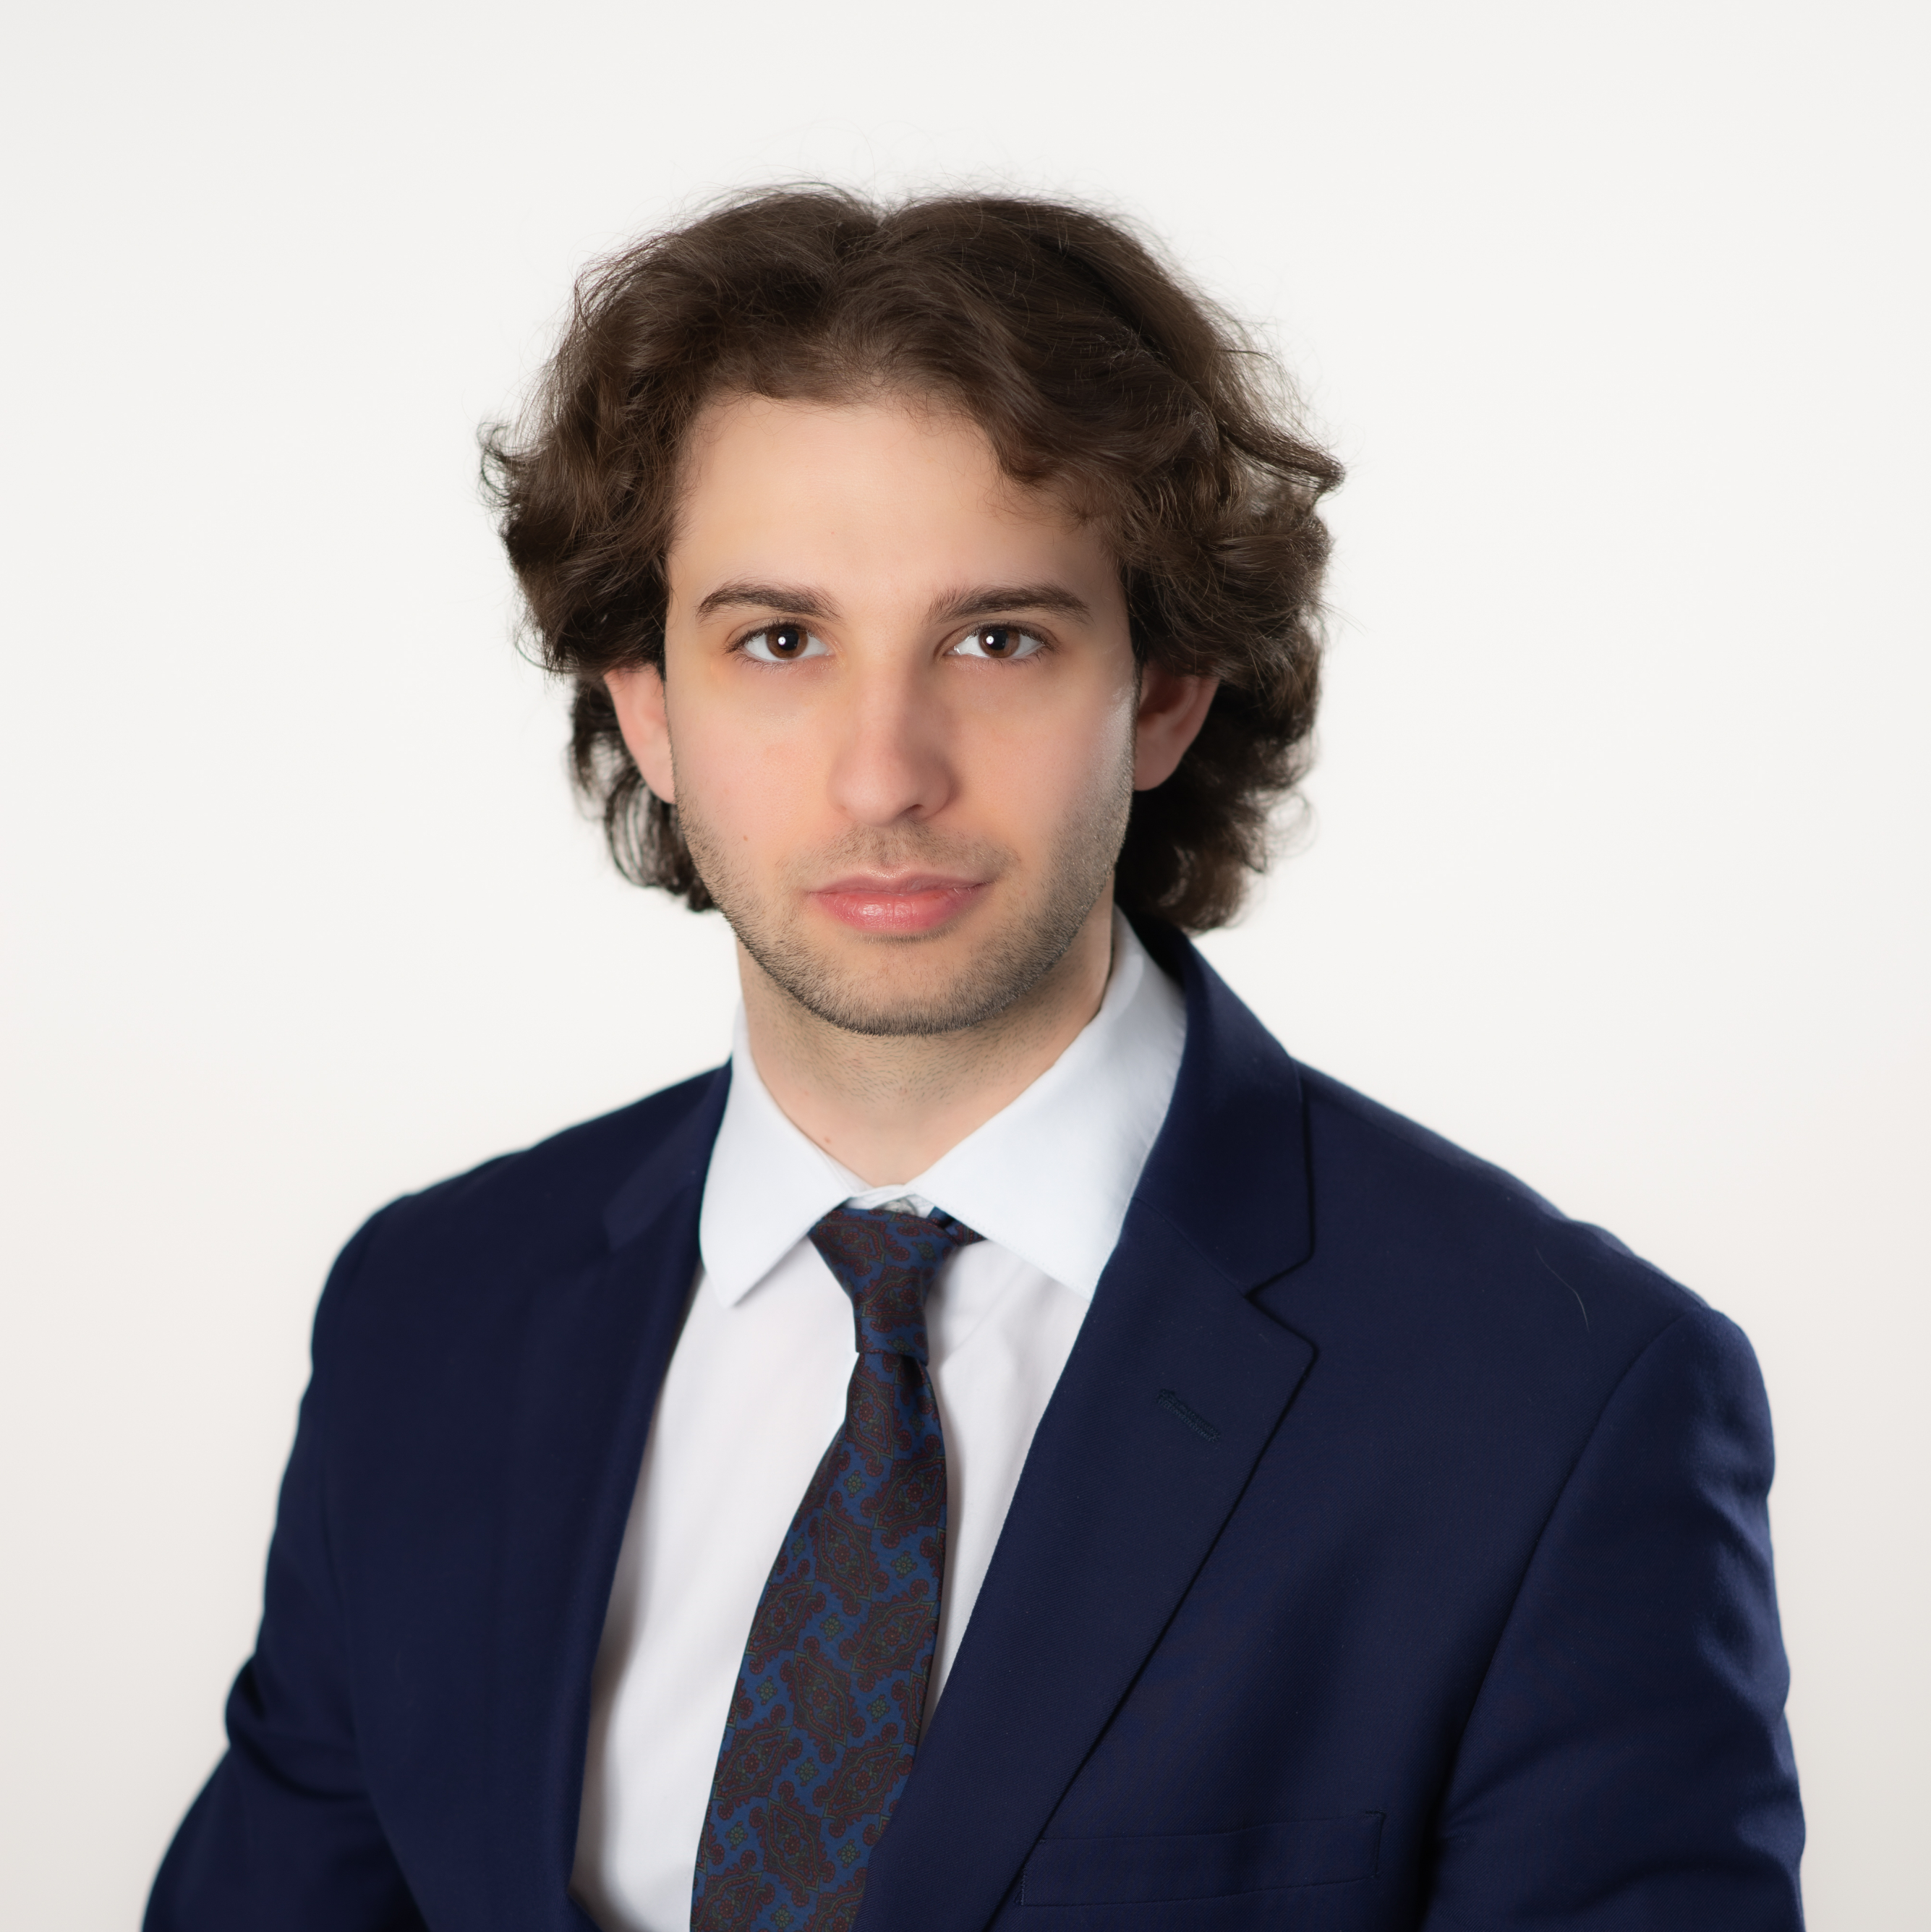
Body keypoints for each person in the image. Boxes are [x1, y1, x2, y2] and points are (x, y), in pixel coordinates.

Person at [145, 189, 1804, 1932]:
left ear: (1165, 691)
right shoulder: (428, 1315)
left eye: (998, 638)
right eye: (779, 640)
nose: (885, 772)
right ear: (647, 702)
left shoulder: (1560, 1404)